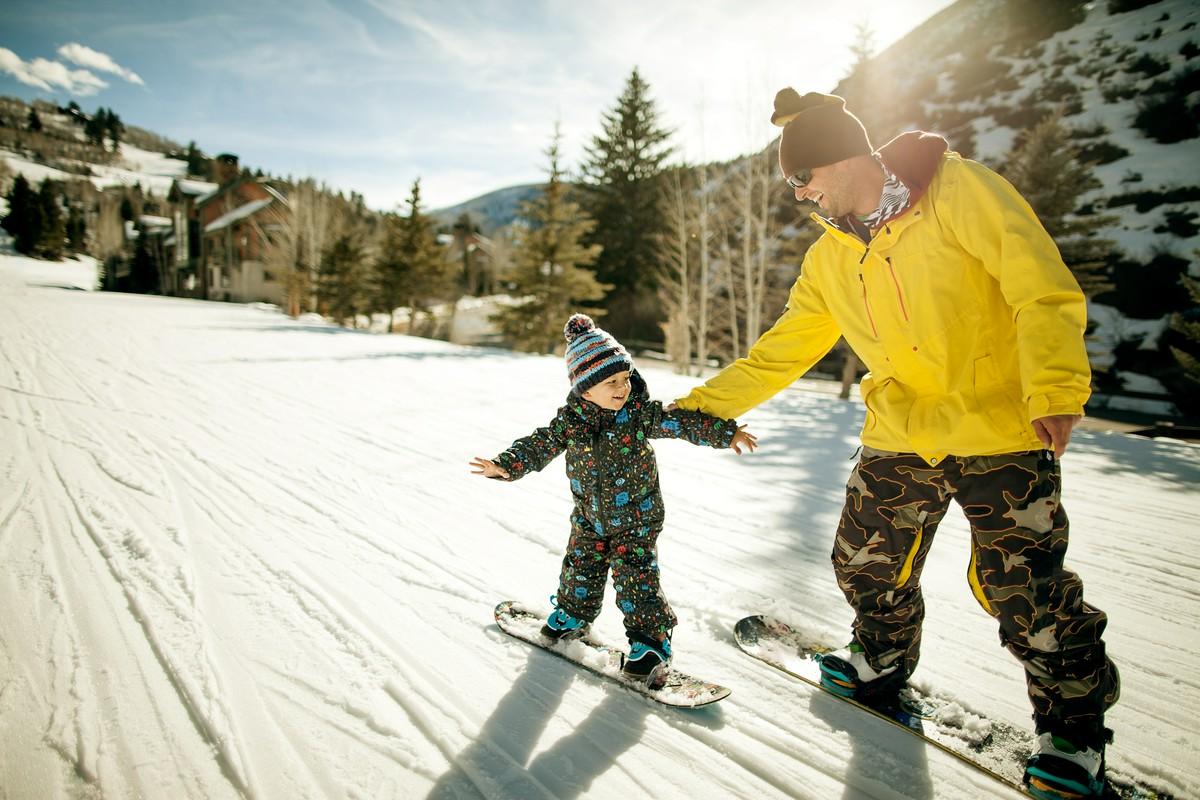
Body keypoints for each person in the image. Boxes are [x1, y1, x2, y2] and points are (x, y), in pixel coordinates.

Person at [672, 89, 1120, 799]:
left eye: (801, 179)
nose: (801, 195)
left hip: (998, 425)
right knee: (865, 561)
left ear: (837, 159)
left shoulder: (959, 191)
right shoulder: (830, 258)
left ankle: (1073, 731)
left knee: (1025, 590)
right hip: (901, 431)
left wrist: (1057, 387)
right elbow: (778, 355)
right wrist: (690, 410)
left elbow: (1039, 285)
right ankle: (879, 657)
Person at [471, 313, 757, 685]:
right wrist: (507, 465)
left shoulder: (638, 416)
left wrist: (725, 433)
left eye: (625, 378)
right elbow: (540, 443)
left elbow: (682, 422)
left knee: (636, 580)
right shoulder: (571, 422)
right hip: (590, 516)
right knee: (579, 568)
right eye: (612, 382)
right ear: (585, 388)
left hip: (636, 518)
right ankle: (573, 616)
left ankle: (651, 643)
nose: (623, 388)